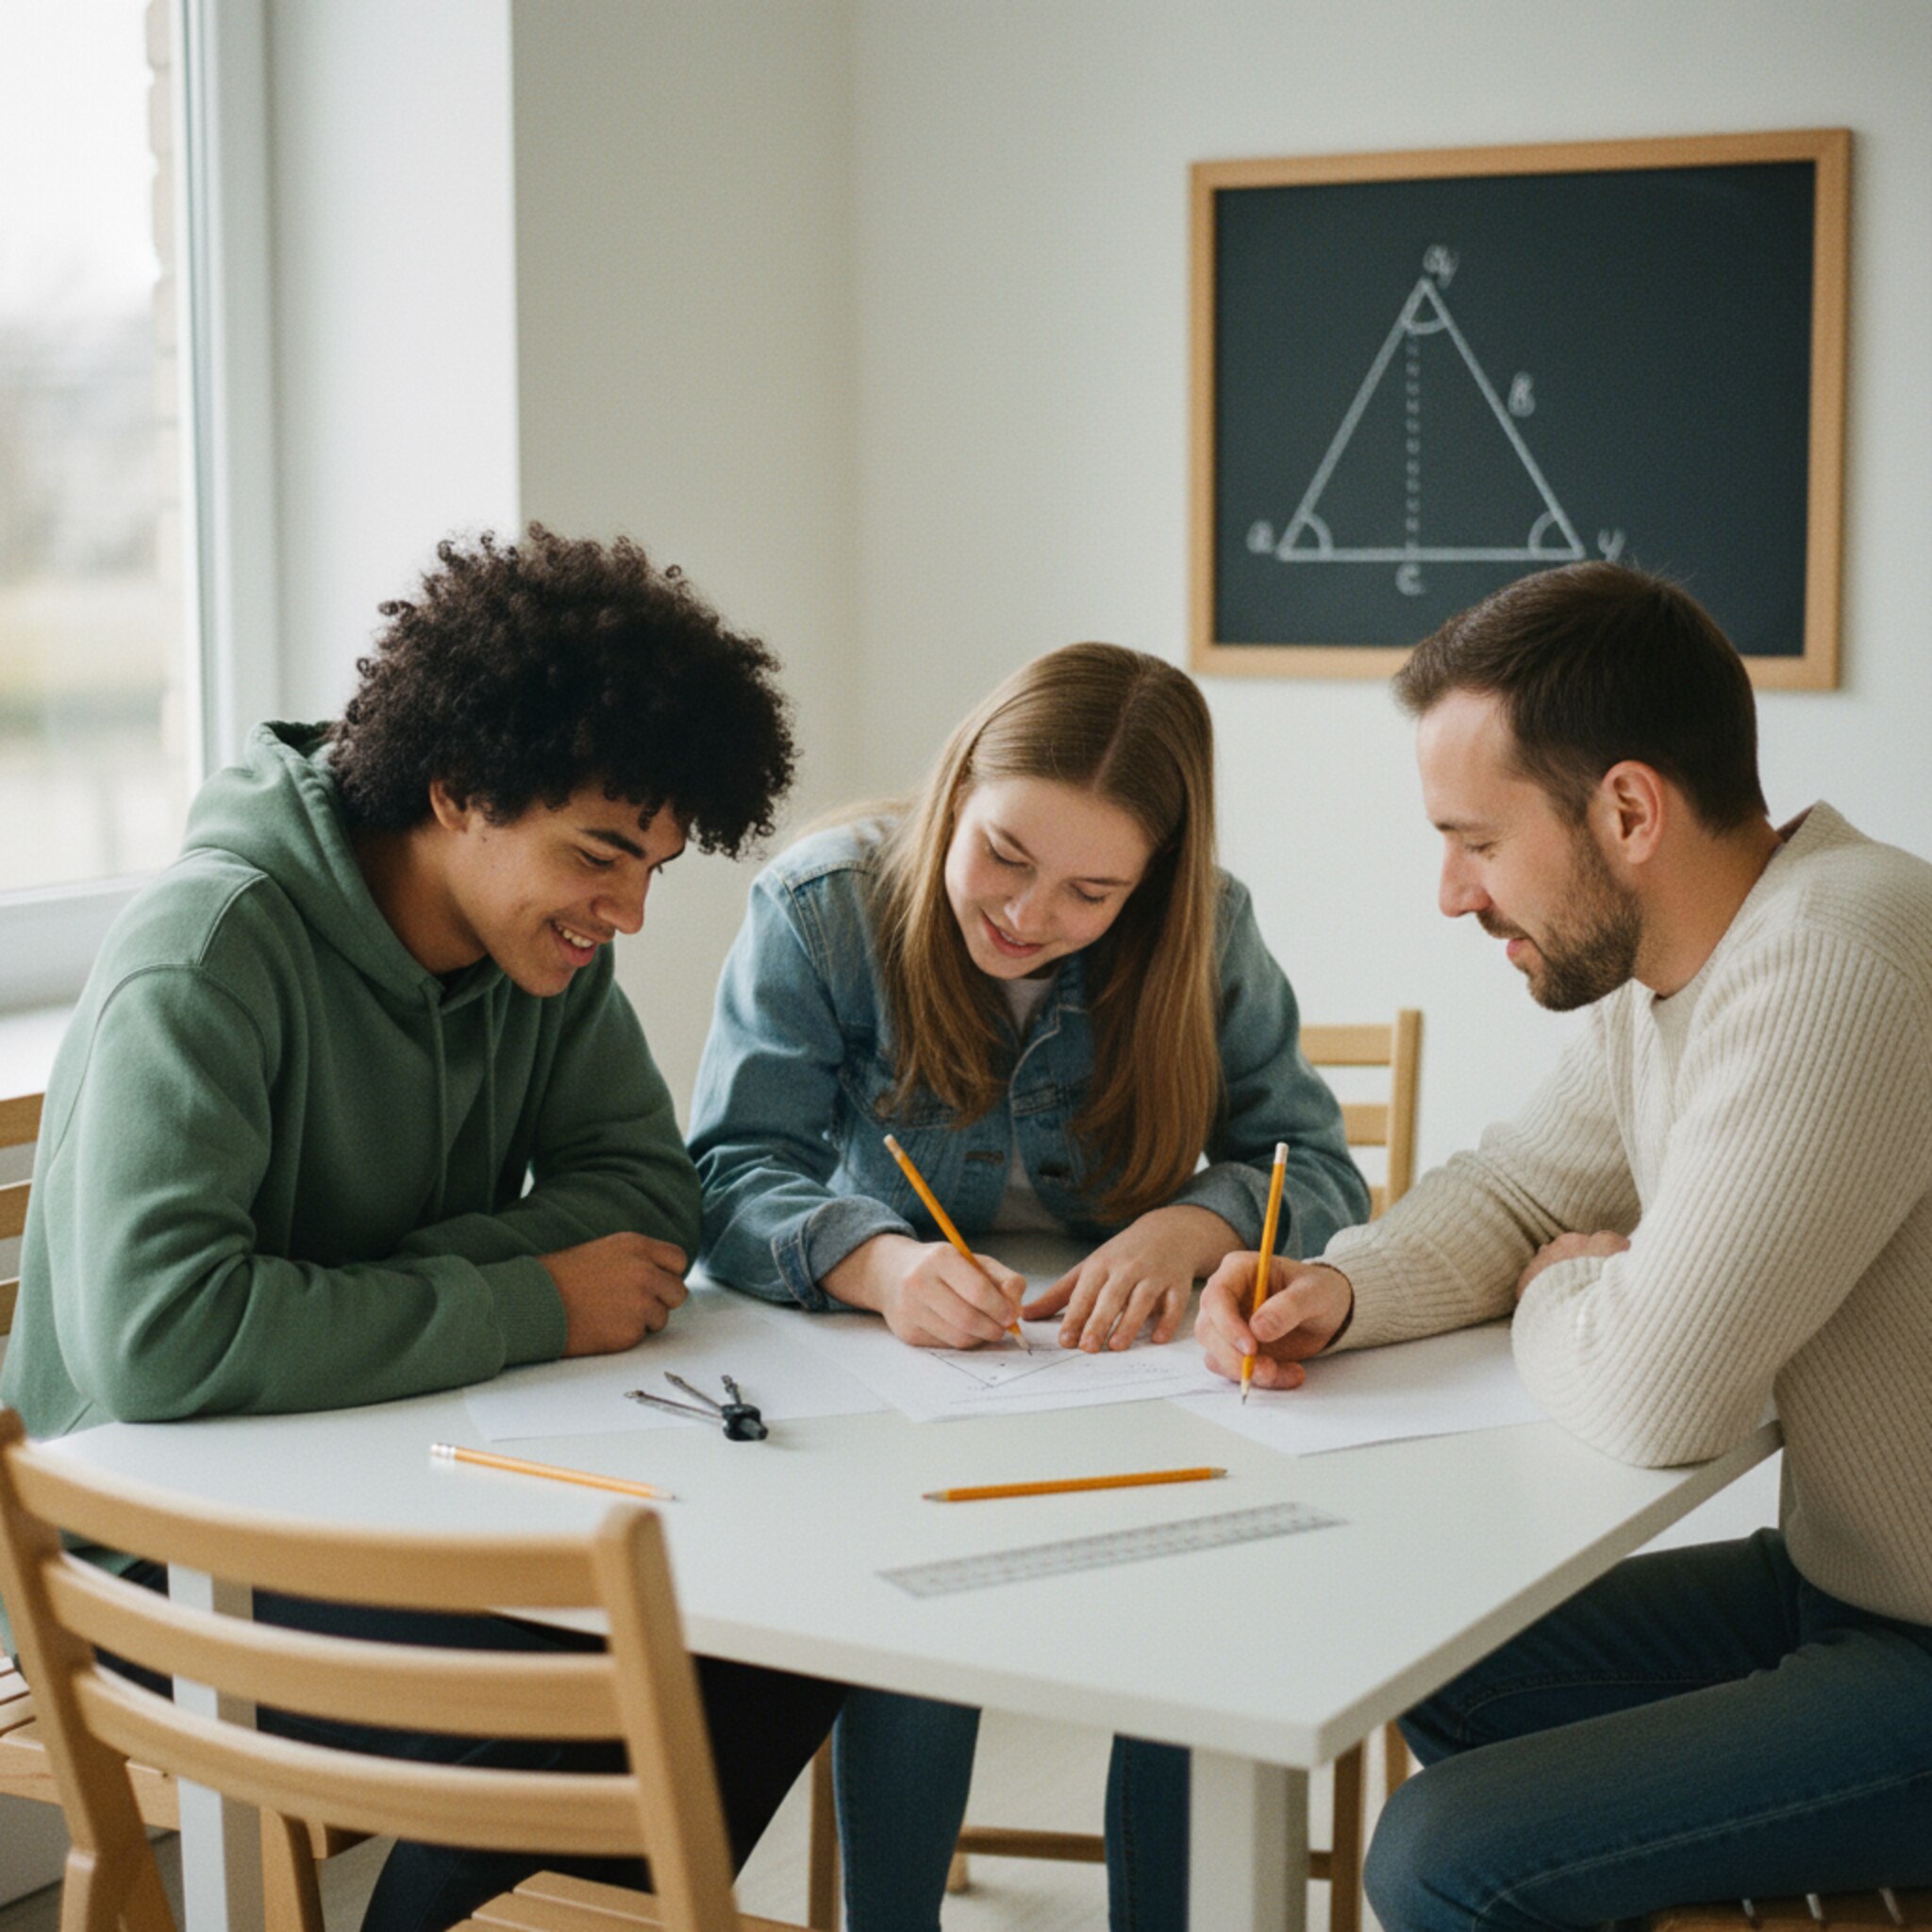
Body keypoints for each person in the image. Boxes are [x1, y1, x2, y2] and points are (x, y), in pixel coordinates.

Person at [0, 526, 844, 1932]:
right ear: (460, 793)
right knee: (614, 1690)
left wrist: (358, 1293)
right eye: (600, 857)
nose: (627, 912)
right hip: (153, 1554)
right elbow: (164, 1342)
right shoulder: (210, 954)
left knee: (789, 1639)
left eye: (657, 869)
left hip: (376, 1472)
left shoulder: (541, 954)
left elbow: (646, 1199)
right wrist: (529, 1296)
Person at [1197, 562, 1932, 1926]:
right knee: (1436, 1655)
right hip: (1848, 1588)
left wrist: (1567, 1291)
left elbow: (1658, 1394)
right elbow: (1516, 1191)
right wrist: (1335, 1290)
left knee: (1444, 1856)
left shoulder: (1839, 959)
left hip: (1919, 1642)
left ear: (1629, 811)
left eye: (1475, 838)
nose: (1449, 892)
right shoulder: (1668, 964)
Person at [690, 641, 1370, 1931]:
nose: (1025, 915)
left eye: (1090, 891)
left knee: (1189, 1616)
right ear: (954, 793)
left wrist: (1189, 1228)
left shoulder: (1205, 930)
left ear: (1151, 884)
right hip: (900, 1390)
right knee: (915, 1610)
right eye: (1003, 854)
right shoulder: (821, 908)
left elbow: (1319, 1169)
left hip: (1137, 1390)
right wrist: (879, 1263)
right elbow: (725, 1171)